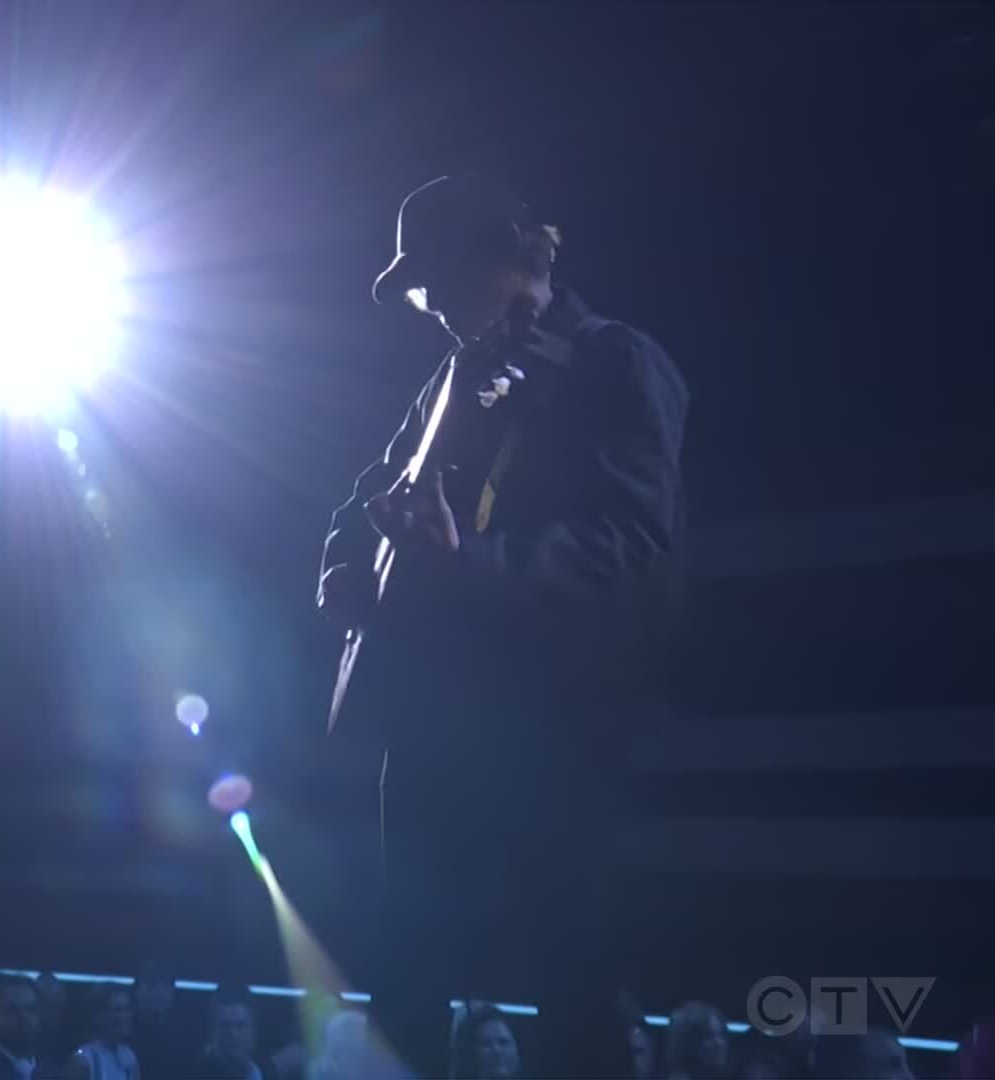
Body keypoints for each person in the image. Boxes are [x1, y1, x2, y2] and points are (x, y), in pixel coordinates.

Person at [317, 172, 688, 1078]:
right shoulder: (453, 377)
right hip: (435, 727)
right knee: (407, 969)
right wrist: (344, 567)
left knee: (571, 969)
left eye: (434, 281)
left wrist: (471, 563)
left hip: (555, 728)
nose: (430, 307)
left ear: (494, 258)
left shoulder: (616, 361)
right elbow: (371, 494)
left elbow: (631, 537)